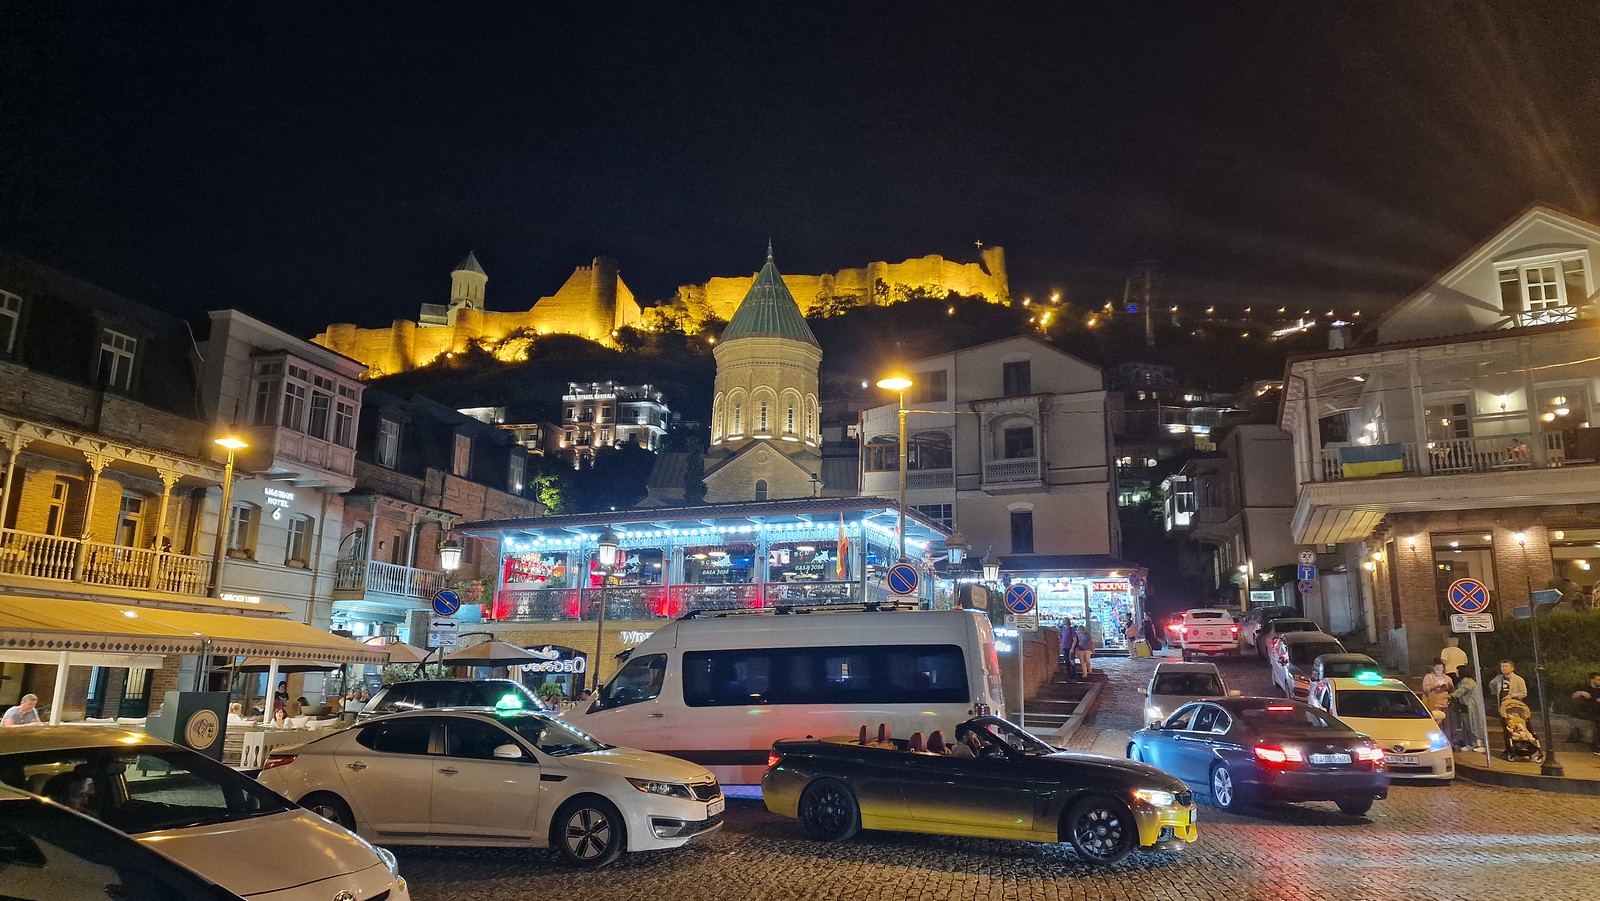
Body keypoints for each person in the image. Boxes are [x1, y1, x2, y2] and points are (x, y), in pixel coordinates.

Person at [1451, 665, 1486, 752]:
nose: (1456, 673)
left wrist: (1449, 695)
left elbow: (1459, 692)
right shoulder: (1464, 681)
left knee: (1472, 725)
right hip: (1465, 707)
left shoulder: (1467, 682)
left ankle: (1477, 744)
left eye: (1457, 671)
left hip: (1471, 707)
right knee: (1466, 725)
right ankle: (1470, 743)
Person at [1571, 672, 1600, 755]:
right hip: (1585, 712)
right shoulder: (1584, 688)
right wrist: (1581, 693)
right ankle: (1596, 746)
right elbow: (1573, 696)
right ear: (1592, 680)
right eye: (1598, 680)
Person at [1422, 658, 1453, 734]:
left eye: (1441, 668)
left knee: (1445, 722)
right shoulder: (1429, 677)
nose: (1439, 670)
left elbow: (1452, 690)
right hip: (1434, 702)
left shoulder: (1447, 678)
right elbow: (1425, 689)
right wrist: (1435, 687)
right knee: (1436, 721)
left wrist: (1449, 686)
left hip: (1445, 702)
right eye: (1437, 668)